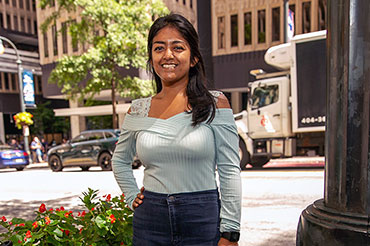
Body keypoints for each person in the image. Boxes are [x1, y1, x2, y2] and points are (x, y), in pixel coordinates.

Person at [112, 14, 241, 246]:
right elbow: (120, 160)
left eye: (178, 47)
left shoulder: (215, 103)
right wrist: (132, 195)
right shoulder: (138, 110)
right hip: (150, 220)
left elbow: (230, 170)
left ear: (193, 58)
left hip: (202, 218)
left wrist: (230, 231)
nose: (168, 55)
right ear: (151, 59)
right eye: (159, 48)